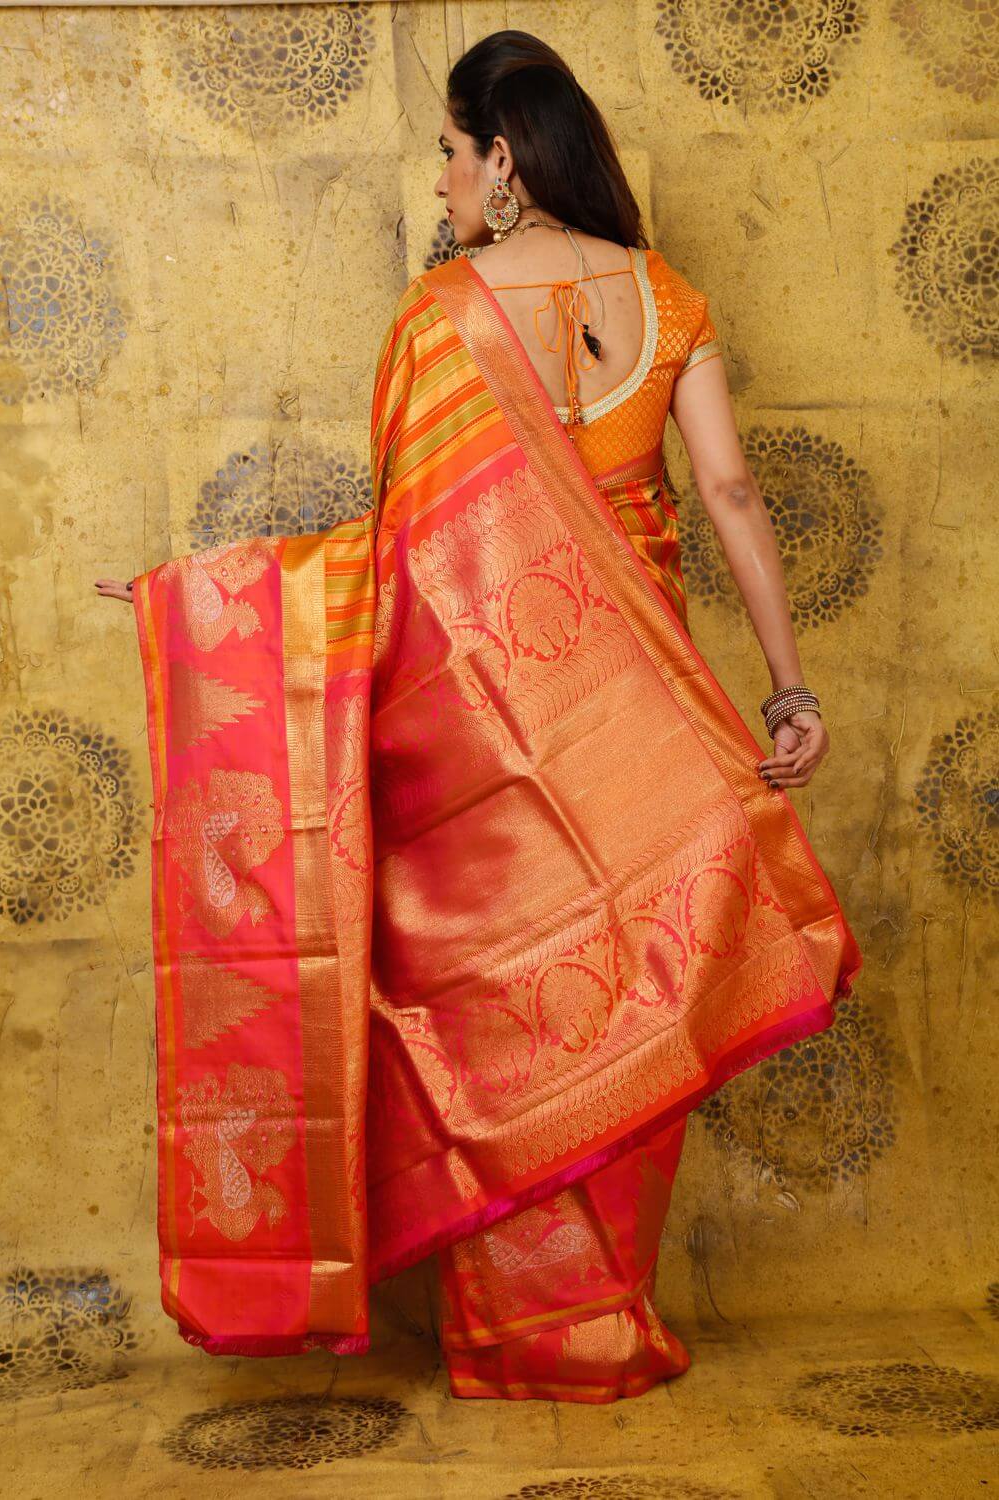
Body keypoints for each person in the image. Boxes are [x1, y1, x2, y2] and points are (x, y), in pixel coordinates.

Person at [94, 30, 862, 1404]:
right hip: (652, 718)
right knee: (634, 987)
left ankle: (525, 1335)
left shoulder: (441, 318)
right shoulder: (666, 296)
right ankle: (602, 1323)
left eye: (450, 153)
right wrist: (788, 686)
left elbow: (399, 559)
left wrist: (203, 602)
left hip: (499, 740)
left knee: (506, 1003)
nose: (442, 180)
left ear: (502, 158)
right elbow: (731, 494)